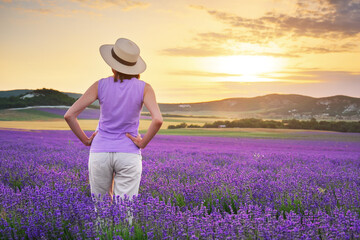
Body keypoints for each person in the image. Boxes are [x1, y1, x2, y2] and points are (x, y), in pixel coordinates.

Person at [64, 38, 163, 204]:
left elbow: (69, 115)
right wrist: (142, 143)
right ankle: (121, 231)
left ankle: (103, 231)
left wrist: (86, 140)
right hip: (128, 153)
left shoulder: (100, 85)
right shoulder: (145, 87)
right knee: (125, 210)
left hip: (100, 151)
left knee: (101, 209)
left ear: (112, 64)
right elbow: (158, 120)